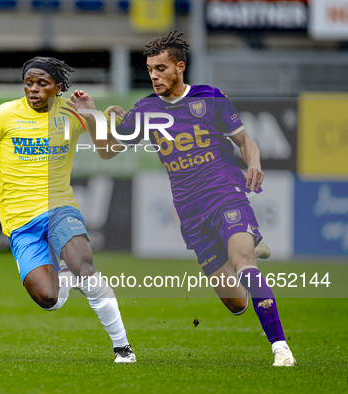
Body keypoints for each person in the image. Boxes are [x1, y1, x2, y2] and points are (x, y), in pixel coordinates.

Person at [71, 31, 295, 366]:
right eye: (150, 69)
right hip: (190, 214)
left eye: (161, 68)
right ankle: (248, 244)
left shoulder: (210, 98)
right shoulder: (146, 109)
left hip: (225, 195)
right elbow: (106, 150)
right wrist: (91, 116)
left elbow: (245, 140)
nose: (154, 75)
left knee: (244, 263)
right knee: (236, 303)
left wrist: (255, 163)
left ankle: (280, 347)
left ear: (180, 66)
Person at [0, 57, 136, 363]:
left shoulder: (70, 112)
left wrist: (99, 113)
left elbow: (107, 147)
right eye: (29, 82)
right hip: (20, 220)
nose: (34, 89)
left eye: (42, 83)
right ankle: (64, 276)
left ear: (58, 87)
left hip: (59, 207)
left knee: (86, 268)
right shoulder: (4, 114)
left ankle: (123, 347)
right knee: (48, 299)